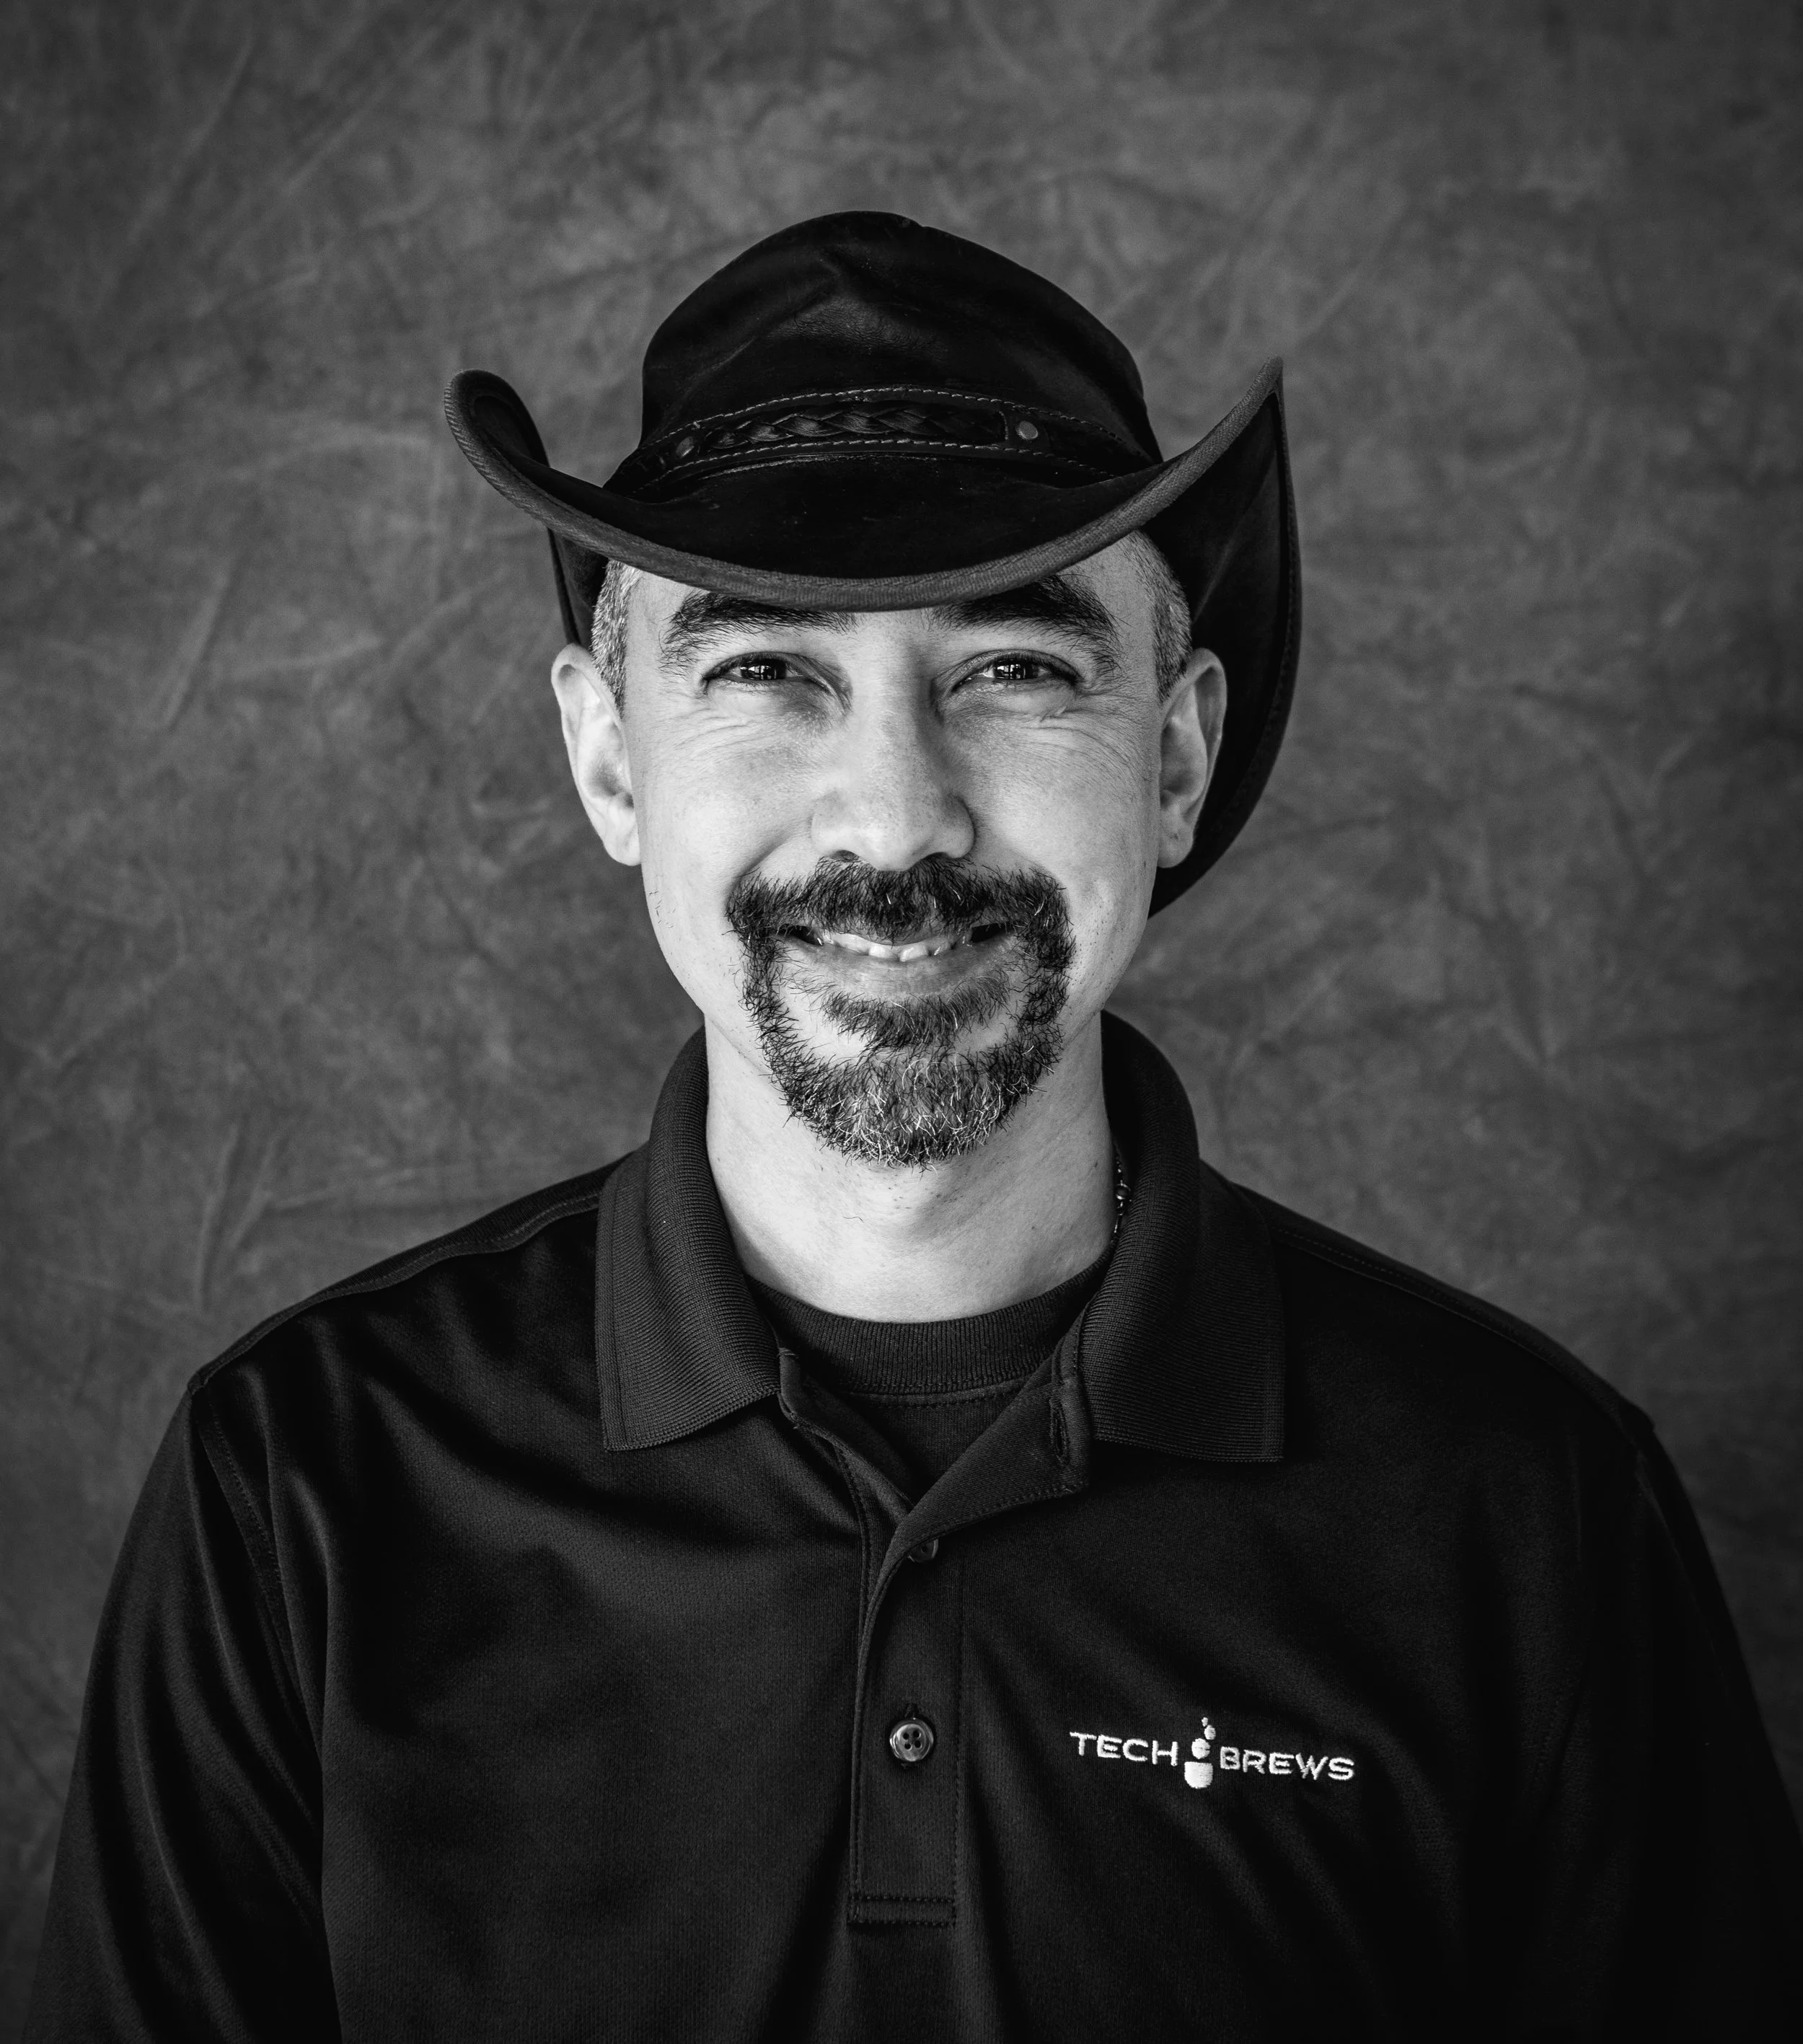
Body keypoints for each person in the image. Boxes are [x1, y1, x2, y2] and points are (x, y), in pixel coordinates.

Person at [27, 212, 1802, 2042]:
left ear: (1173, 761)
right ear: (609, 759)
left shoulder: (1522, 1515)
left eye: (1013, 672)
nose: (894, 819)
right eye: (764, 673)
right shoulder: (298, 1493)